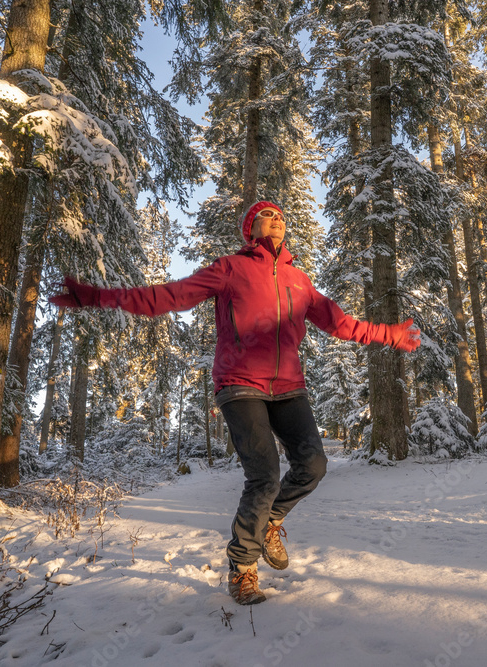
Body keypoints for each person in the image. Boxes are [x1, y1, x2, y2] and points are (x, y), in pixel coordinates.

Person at [50, 201, 421, 605]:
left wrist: (388, 334)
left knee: (313, 464)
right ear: (251, 228)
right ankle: (242, 568)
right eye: (267, 215)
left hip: (289, 386)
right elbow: (171, 296)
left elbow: (342, 323)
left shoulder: (300, 281)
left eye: (282, 215)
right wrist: (100, 298)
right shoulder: (231, 268)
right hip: (239, 382)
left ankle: (271, 522)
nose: (277, 219)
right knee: (264, 475)